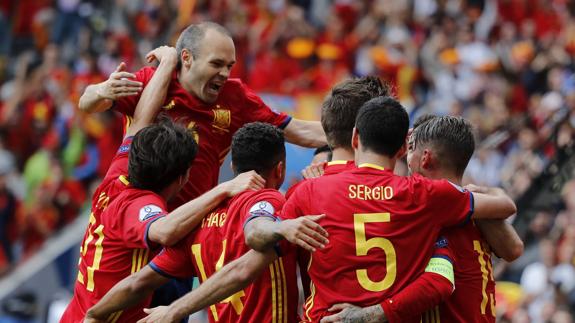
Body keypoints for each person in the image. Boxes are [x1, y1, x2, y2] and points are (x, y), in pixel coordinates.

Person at [136, 96, 517, 323]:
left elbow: (246, 260)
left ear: (354, 137)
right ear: (403, 147)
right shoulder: (427, 198)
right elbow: (502, 237)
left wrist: (174, 310)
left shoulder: (307, 192)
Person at [62, 47, 264, 323]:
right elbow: (166, 231)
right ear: (181, 178)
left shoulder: (118, 171)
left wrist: (167, 63)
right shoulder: (139, 204)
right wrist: (224, 188)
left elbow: (142, 118)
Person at [83, 122, 328, 323]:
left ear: (233, 166)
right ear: (280, 169)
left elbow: (138, 283)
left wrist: (95, 313)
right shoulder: (271, 201)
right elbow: (254, 237)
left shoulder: (199, 222)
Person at [78, 21, 326, 210]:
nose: (225, 73)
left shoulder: (236, 96)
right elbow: (87, 103)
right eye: (216, 64)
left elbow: (298, 131)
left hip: (187, 228)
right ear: (186, 58)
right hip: (136, 214)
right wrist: (102, 90)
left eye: (229, 65)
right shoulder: (152, 82)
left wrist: (353, 131)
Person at [321, 116, 524, 323]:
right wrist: (489, 191)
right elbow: (514, 247)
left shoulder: (425, 208)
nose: (405, 157)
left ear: (425, 158)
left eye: (410, 148)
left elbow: (439, 282)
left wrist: (366, 315)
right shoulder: (475, 208)